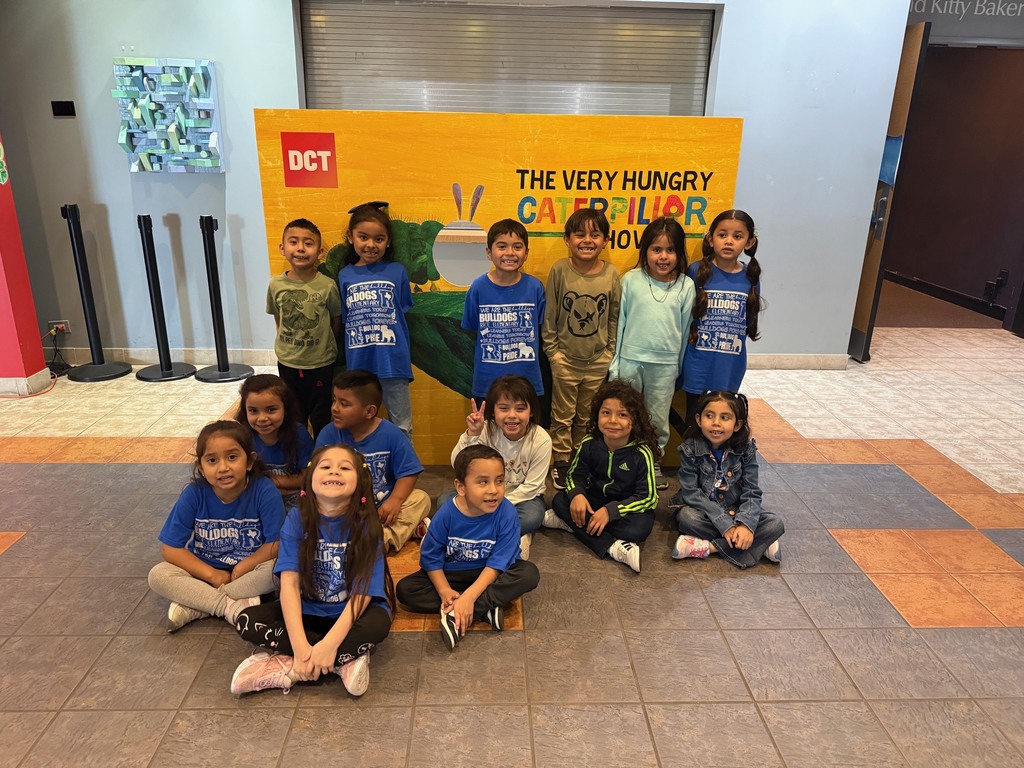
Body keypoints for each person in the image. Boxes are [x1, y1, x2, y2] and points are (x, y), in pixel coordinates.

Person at [230, 445, 394, 697]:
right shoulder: (297, 519)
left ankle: (292, 670)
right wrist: (300, 647)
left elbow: (362, 594)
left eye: (344, 467)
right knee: (245, 620)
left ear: (360, 481)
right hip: (309, 609)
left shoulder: (366, 525)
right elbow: (289, 586)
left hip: (352, 613)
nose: (334, 471)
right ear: (310, 478)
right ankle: (341, 662)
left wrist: (328, 644)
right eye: (326, 466)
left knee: (379, 625)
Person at [396, 445, 540, 652]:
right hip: (452, 573)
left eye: (499, 481)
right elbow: (431, 558)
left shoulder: (507, 512)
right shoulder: (446, 514)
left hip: (491, 573)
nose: (493, 489)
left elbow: (499, 561)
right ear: (461, 487)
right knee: (406, 590)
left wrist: (470, 597)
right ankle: (485, 606)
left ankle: (458, 613)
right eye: (483, 482)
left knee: (528, 574)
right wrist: (445, 591)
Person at [148, 421, 285, 632]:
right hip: (204, 572)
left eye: (232, 457)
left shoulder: (265, 491)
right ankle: (232, 607)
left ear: (249, 461)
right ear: (201, 468)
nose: (223, 468)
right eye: (212, 460)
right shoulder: (194, 493)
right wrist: (213, 575)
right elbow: (170, 548)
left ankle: (198, 604)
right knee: (158, 574)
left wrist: (244, 565)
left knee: (282, 569)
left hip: (249, 571)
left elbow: (276, 543)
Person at [610, 217, 695, 489]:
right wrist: (616, 364)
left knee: (657, 418)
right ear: (645, 250)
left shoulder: (685, 286)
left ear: (679, 253)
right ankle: (622, 462)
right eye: (656, 249)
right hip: (630, 360)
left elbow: (685, 330)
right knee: (625, 414)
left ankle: (652, 462)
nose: (663, 256)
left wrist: (678, 367)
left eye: (670, 250)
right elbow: (619, 323)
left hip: (665, 365)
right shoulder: (631, 280)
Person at [542, 379, 658, 573]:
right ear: (597, 416)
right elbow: (573, 477)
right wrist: (577, 495)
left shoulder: (641, 452)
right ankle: (613, 545)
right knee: (560, 500)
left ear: (635, 421)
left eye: (622, 414)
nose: (613, 420)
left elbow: (648, 497)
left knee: (640, 528)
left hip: (623, 508)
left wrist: (611, 511)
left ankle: (574, 526)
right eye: (606, 413)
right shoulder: (589, 443)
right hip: (595, 499)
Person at [542, 208, 620, 491]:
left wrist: (609, 352)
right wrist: (553, 352)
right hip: (565, 359)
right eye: (579, 234)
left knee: (587, 416)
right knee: (561, 414)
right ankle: (561, 461)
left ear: (605, 240)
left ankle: (580, 459)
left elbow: (613, 316)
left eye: (595, 234)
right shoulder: (560, 270)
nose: (587, 240)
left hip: (598, 360)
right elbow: (550, 314)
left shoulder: (611, 274)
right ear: (567, 239)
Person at [314, 370, 430, 552]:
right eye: (335, 399)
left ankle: (379, 541)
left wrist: (396, 500)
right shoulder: (328, 435)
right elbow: (316, 476)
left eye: (344, 404)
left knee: (420, 499)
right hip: (342, 508)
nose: (334, 408)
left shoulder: (391, 433)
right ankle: (374, 538)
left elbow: (409, 472)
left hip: (381, 510)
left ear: (369, 411)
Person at [670, 390, 784, 568]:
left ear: (737, 424)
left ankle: (709, 547)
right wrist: (725, 525)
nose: (716, 423)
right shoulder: (689, 449)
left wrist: (746, 525)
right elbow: (691, 493)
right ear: (699, 420)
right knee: (687, 518)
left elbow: (752, 490)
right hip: (705, 512)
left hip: (736, 510)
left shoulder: (746, 449)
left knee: (775, 523)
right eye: (709, 416)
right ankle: (760, 545)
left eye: (725, 417)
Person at [448, 375, 551, 559]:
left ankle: (474, 533)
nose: (512, 415)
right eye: (504, 408)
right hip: (484, 494)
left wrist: (497, 506)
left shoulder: (541, 439)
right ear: (494, 411)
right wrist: (472, 434)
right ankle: (506, 535)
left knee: (533, 516)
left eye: (520, 408)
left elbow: (532, 487)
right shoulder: (485, 429)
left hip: (523, 499)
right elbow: (458, 465)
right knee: (445, 502)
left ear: (532, 412)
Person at [337, 203, 415, 439]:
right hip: (359, 363)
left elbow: (402, 307)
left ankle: (404, 472)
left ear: (388, 241)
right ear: (351, 238)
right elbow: (345, 315)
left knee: (402, 425)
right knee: (358, 423)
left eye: (379, 239)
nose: (371, 245)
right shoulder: (344, 275)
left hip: (393, 362)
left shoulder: (397, 271)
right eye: (363, 237)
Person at [681, 209, 763, 422]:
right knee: (694, 425)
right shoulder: (696, 271)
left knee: (720, 423)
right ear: (710, 238)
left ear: (749, 241)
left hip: (729, 366)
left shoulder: (750, 276)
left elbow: (749, 320)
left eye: (737, 236)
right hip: (697, 365)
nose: (729, 241)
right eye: (722, 234)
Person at [266, 218, 342, 436]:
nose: (300, 248)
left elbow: (336, 319)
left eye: (308, 243)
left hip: (320, 363)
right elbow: (278, 318)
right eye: (293, 242)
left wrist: (328, 346)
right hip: (288, 361)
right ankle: (298, 457)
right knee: (294, 414)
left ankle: (320, 456)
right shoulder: (275, 285)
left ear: (320, 252)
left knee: (321, 415)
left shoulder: (327, 285)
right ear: (282, 248)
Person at [461, 219, 546, 402]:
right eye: (502, 246)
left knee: (525, 430)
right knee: (486, 430)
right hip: (487, 383)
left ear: (526, 253)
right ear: (489, 253)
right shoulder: (477, 287)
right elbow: (472, 327)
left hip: (528, 382)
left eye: (517, 247)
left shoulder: (535, 287)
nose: (510, 253)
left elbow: (540, 326)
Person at [235, 373, 313, 506]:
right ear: (245, 410)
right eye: (253, 411)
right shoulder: (242, 435)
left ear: (285, 409)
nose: (262, 418)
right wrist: (275, 487)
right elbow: (239, 477)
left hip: (296, 497)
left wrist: (272, 482)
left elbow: (308, 477)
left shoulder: (299, 434)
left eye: (271, 410)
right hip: (257, 494)